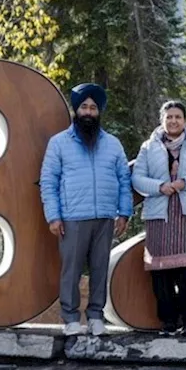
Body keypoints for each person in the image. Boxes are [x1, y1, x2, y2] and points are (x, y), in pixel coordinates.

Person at [40, 83, 132, 336]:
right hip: (72, 217)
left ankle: (95, 316)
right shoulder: (59, 143)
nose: (88, 112)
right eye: (84, 107)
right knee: (71, 270)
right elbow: (49, 181)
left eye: (93, 107)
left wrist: (124, 213)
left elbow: (124, 179)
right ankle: (70, 318)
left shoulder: (113, 144)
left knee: (100, 268)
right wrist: (53, 216)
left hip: (105, 216)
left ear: (99, 112)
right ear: (76, 110)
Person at [131, 101, 186, 335]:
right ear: (162, 120)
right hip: (158, 214)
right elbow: (137, 179)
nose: (173, 121)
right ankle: (168, 322)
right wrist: (160, 186)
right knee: (161, 272)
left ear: (185, 121)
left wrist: (185, 183)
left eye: (178, 117)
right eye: (169, 117)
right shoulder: (148, 147)